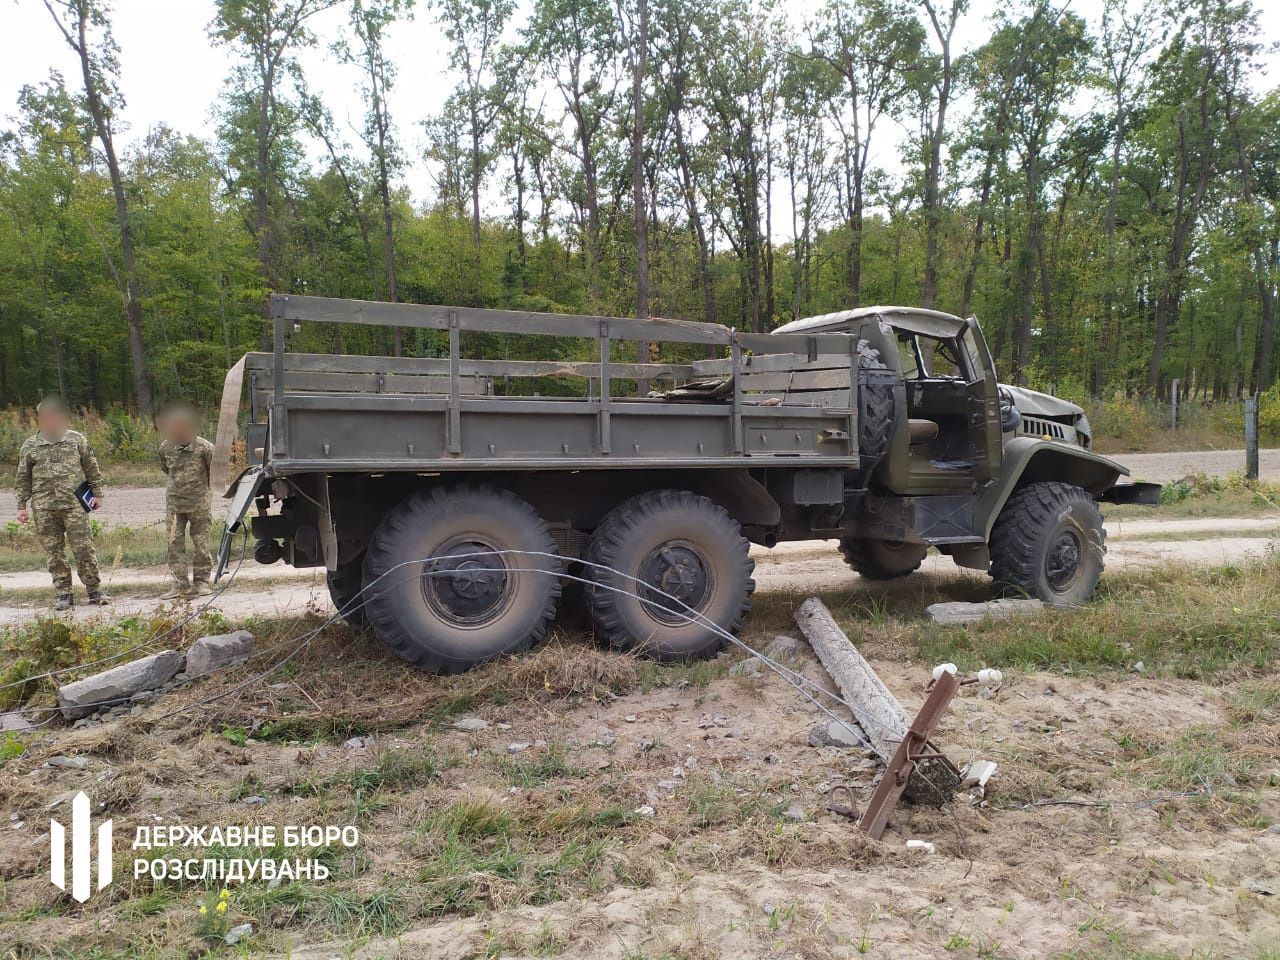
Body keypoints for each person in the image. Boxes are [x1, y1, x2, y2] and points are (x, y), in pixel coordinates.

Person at [14, 396, 109, 611]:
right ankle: (63, 593)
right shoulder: (30, 446)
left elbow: (91, 467)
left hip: (74, 506)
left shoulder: (76, 440)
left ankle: (94, 591)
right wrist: (21, 506)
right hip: (44, 508)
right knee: (54, 553)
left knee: (84, 549)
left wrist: (98, 493)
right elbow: (23, 478)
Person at [157, 401, 215, 599]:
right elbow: (165, 469)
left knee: (201, 544)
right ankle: (180, 584)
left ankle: (202, 582)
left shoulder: (205, 448)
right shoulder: (166, 447)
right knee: (174, 544)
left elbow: (213, 474)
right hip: (175, 505)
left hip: (199, 504)